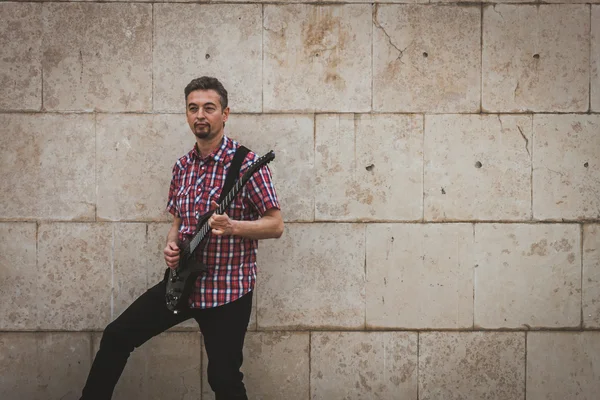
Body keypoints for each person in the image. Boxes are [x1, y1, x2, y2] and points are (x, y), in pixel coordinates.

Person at [80, 76, 284, 400]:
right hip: (181, 283)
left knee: (224, 379)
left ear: (225, 113)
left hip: (227, 289)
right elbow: (178, 220)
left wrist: (234, 227)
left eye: (209, 107)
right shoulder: (182, 167)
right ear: (187, 114)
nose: (200, 115)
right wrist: (172, 246)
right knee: (117, 336)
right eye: (193, 108)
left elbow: (275, 225)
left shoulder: (247, 164)